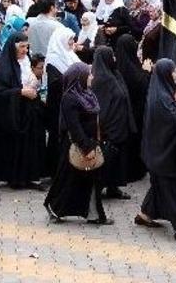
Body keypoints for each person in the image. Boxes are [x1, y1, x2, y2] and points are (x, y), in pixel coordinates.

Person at [135, 59, 176, 244]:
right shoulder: (162, 99)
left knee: (159, 187)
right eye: (173, 72)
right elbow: (173, 120)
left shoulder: (160, 93)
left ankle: (145, 214)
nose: (175, 75)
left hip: (160, 154)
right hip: (167, 157)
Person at [44, 62, 112, 225]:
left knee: (90, 181)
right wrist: (86, 146)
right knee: (68, 181)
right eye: (88, 74)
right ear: (79, 77)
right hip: (77, 146)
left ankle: (94, 214)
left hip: (89, 143)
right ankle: (55, 207)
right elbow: (74, 127)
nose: (92, 77)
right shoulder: (70, 98)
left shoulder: (86, 94)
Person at [0, 32, 45, 189]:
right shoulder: (4, 66)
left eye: (26, 46)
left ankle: (30, 176)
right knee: (15, 145)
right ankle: (15, 178)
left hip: (28, 110)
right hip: (13, 112)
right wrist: (20, 92)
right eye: (21, 46)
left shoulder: (26, 61)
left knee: (30, 144)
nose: (25, 50)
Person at [91, 46, 134, 199]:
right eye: (112, 56)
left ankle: (113, 187)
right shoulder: (101, 79)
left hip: (119, 124)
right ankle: (99, 187)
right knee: (108, 158)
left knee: (118, 158)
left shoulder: (114, 74)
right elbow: (100, 107)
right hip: (109, 128)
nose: (115, 59)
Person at [44, 27, 80, 178]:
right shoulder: (53, 59)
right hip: (57, 105)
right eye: (70, 39)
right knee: (57, 137)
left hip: (71, 103)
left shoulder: (69, 54)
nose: (72, 42)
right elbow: (55, 83)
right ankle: (55, 171)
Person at [116, 34, 151, 183]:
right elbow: (141, 85)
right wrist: (146, 71)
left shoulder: (117, 66)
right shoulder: (133, 68)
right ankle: (135, 171)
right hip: (136, 112)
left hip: (122, 114)